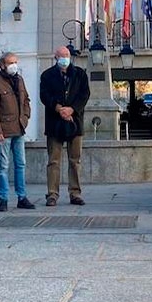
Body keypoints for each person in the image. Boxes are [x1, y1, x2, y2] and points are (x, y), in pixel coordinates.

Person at [39, 46, 90, 207]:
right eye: (62, 56)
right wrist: (58, 108)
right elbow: (44, 95)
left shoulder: (80, 74)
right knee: (53, 160)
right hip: (55, 123)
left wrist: (72, 109)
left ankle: (75, 193)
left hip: (75, 123)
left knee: (75, 160)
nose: (64, 58)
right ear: (56, 57)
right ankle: (52, 194)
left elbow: (84, 94)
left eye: (67, 55)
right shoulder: (47, 75)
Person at [0, 52, 36, 212]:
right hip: (4, 131)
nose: (14, 65)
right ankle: (4, 198)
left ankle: (22, 197)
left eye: (15, 62)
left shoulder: (19, 80)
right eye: (10, 62)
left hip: (19, 128)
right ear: (2, 65)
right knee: (3, 166)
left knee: (21, 164)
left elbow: (26, 100)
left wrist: (26, 117)